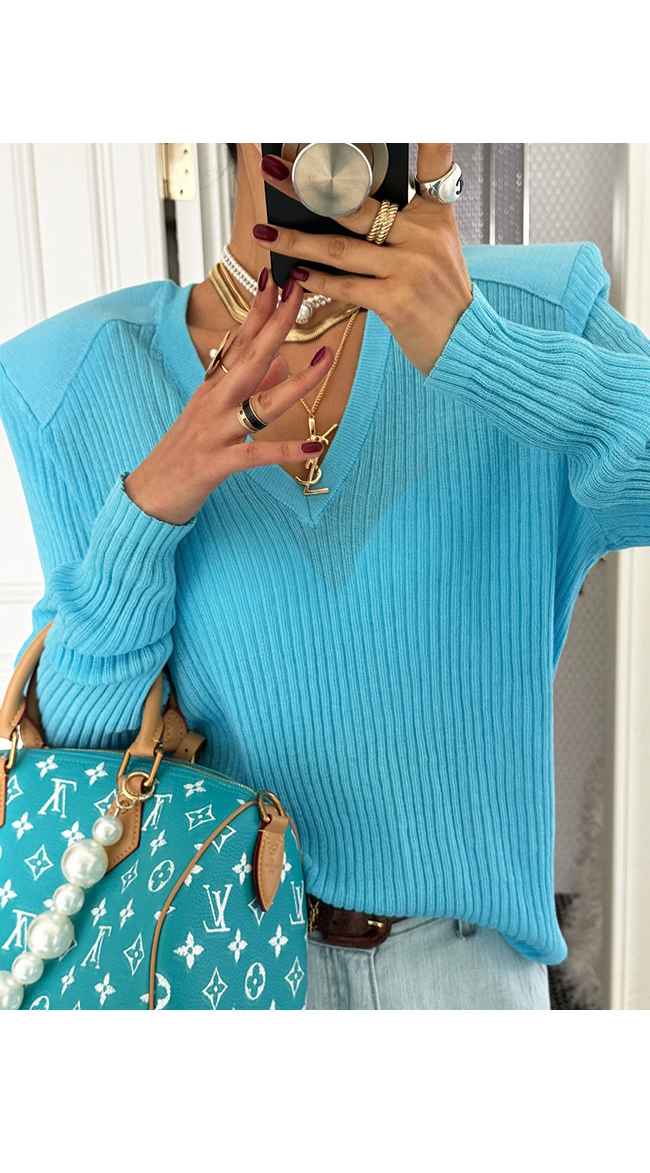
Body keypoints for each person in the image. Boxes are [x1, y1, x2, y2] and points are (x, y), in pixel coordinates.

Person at [2, 142, 649, 1010]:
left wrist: (484, 351)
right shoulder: (75, 372)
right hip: (211, 966)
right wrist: (146, 511)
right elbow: (82, 748)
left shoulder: (535, 309)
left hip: (466, 983)